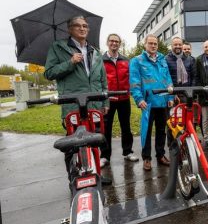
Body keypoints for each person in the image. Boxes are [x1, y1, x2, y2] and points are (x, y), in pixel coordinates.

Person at [44, 15, 110, 184]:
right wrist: (70, 62)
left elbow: (103, 80)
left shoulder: (95, 51)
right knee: (73, 144)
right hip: (72, 104)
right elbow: (49, 73)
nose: (82, 28)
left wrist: (105, 102)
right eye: (78, 26)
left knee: (94, 140)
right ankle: (73, 178)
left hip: (94, 103)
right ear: (70, 29)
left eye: (85, 26)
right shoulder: (58, 48)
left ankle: (96, 174)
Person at [130, 34, 173, 171]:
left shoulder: (162, 59)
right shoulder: (137, 61)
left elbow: (168, 79)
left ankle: (160, 155)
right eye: (150, 43)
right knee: (146, 131)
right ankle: (147, 158)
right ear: (145, 45)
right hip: (147, 103)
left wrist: (171, 97)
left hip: (163, 101)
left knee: (162, 131)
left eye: (155, 43)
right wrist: (139, 98)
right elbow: (134, 81)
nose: (153, 46)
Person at [100, 34, 138, 168]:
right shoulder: (100, 60)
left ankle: (127, 152)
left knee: (126, 127)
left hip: (124, 98)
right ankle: (105, 156)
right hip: (108, 99)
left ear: (119, 44)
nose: (114, 43)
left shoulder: (126, 60)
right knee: (106, 128)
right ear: (107, 42)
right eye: (111, 41)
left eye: (116, 41)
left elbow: (131, 78)